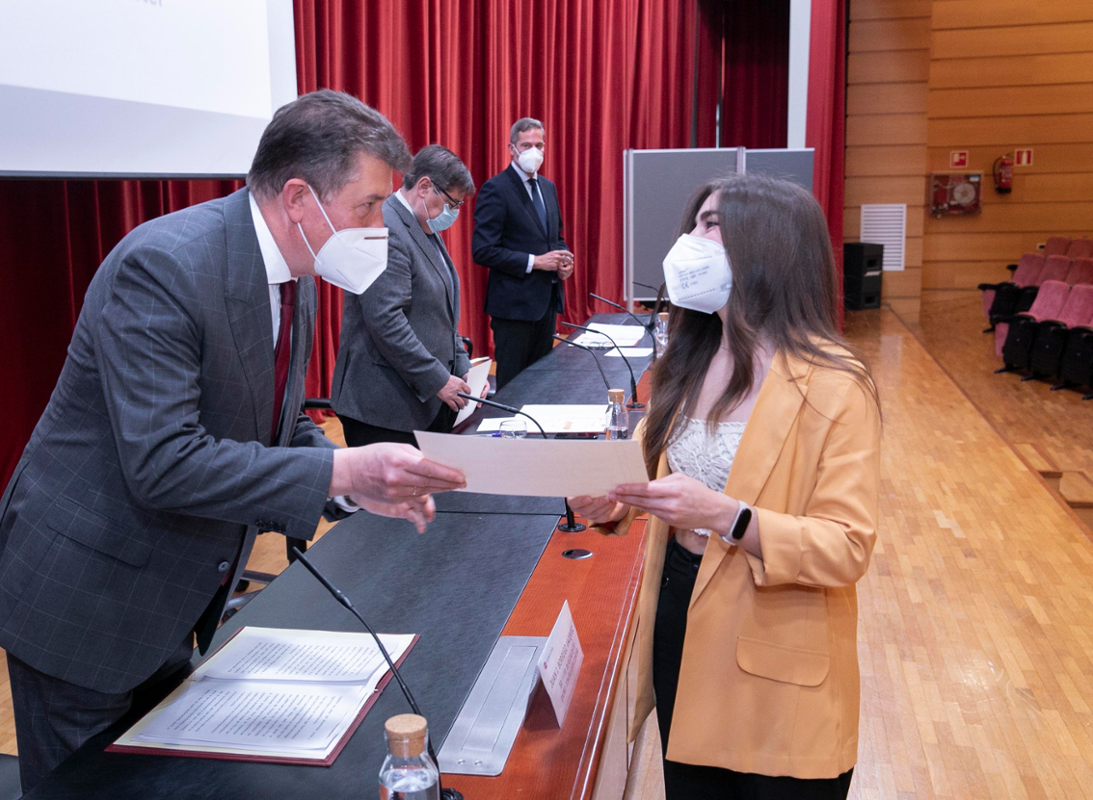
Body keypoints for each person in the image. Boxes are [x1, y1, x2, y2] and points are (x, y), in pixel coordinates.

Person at [0, 90, 467, 792]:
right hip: (86, 601)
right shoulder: (165, 265)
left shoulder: (298, 274)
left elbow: (277, 422)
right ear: (299, 198)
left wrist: (350, 478)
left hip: (172, 598)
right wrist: (343, 472)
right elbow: (164, 462)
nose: (377, 229)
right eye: (366, 207)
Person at [570, 174, 880, 799]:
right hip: (680, 616)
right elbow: (659, 474)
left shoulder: (834, 383)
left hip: (775, 639)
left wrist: (728, 516)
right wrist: (615, 503)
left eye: (711, 225)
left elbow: (846, 547)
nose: (691, 238)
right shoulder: (690, 359)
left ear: (769, 246)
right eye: (695, 223)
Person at [332, 144, 489, 446]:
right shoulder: (385, 228)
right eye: (451, 203)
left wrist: (463, 368)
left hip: (421, 402)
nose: (453, 213)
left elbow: (441, 314)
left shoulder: (422, 225)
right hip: (384, 409)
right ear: (425, 186)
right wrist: (438, 379)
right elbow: (386, 321)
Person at [471, 117, 575, 388]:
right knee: (513, 387)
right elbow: (483, 250)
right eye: (526, 145)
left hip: (546, 304)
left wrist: (563, 259)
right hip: (513, 308)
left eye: (539, 145)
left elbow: (555, 238)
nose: (534, 151)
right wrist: (535, 262)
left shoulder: (548, 188)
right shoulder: (496, 189)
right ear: (512, 148)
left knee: (540, 385)